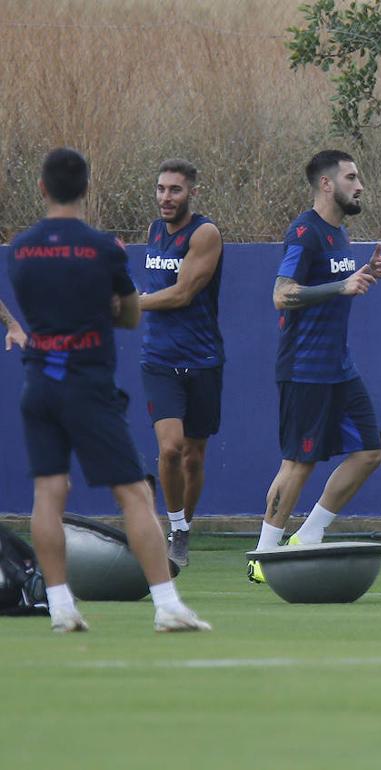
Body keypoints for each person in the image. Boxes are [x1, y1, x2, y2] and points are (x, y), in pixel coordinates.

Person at [6, 148, 210, 632]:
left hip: (39, 384)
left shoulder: (21, 248)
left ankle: (60, 608)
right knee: (135, 496)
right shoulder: (104, 248)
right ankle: (166, 605)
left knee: (48, 495)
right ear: (86, 189)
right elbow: (130, 313)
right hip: (88, 384)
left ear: (42, 188)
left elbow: (34, 307)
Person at [246, 150, 381, 583]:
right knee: (298, 464)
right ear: (326, 185)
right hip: (304, 368)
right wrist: (342, 285)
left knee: (369, 453)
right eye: (351, 177)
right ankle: (262, 553)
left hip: (339, 368)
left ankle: (309, 536)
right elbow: (282, 294)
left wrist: (363, 274)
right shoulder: (304, 232)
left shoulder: (337, 234)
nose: (359, 184)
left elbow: (334, 282)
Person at [137, 159, 224, 567]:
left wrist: (129, 305)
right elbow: (154, 288)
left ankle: (181, 529)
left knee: (194, 455)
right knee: (170, 449)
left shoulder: (205, 234)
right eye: (160, 189)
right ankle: (176, 527)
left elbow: (182, 293)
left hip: (203, 360)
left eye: (174, 190)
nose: (165, 197)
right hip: (158, 360)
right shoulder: (155, 231)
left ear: (192, 192)